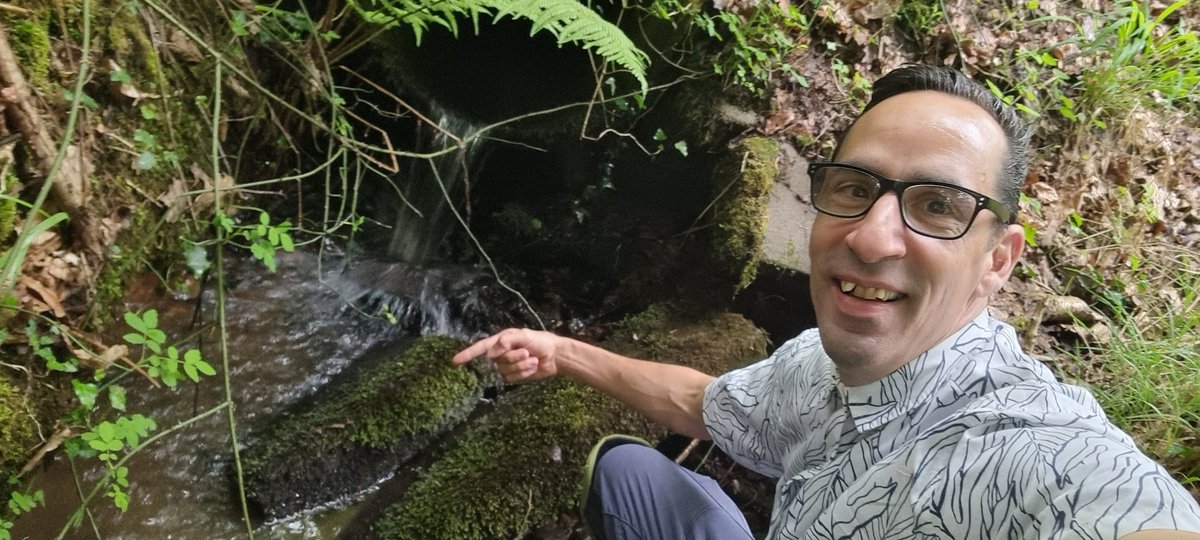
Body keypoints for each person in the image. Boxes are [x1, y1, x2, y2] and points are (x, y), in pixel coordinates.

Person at [452, 65, 1200, 539]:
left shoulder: (1033, 451)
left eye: (937, 205)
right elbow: (707, 402)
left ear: (997, 261)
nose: (873, 239)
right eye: (854, 188)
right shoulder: (815, 360)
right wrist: (562, 353)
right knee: (626, 472)